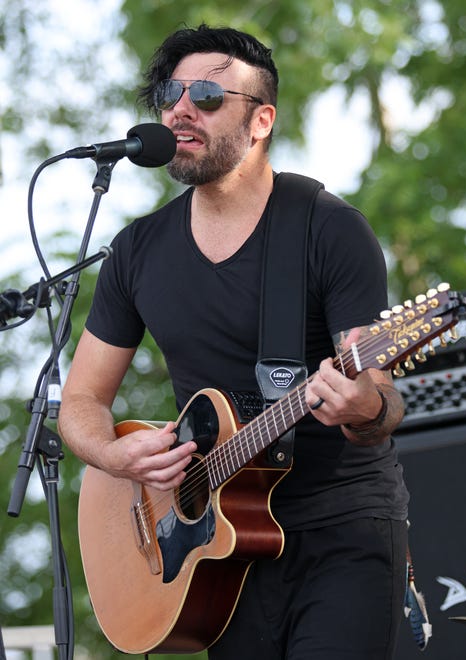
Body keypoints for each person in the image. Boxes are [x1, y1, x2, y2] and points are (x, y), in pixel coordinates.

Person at [58, 24, 409, 660]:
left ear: (261, 120)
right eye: (171, 94)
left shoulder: (330, 230)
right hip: (216, 545)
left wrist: (363, 407)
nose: (181, 109)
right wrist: (117, 458)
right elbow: (80, 404)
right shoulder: (136, 251)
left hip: (341, 530)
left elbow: (378, 395)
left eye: (208, 96)